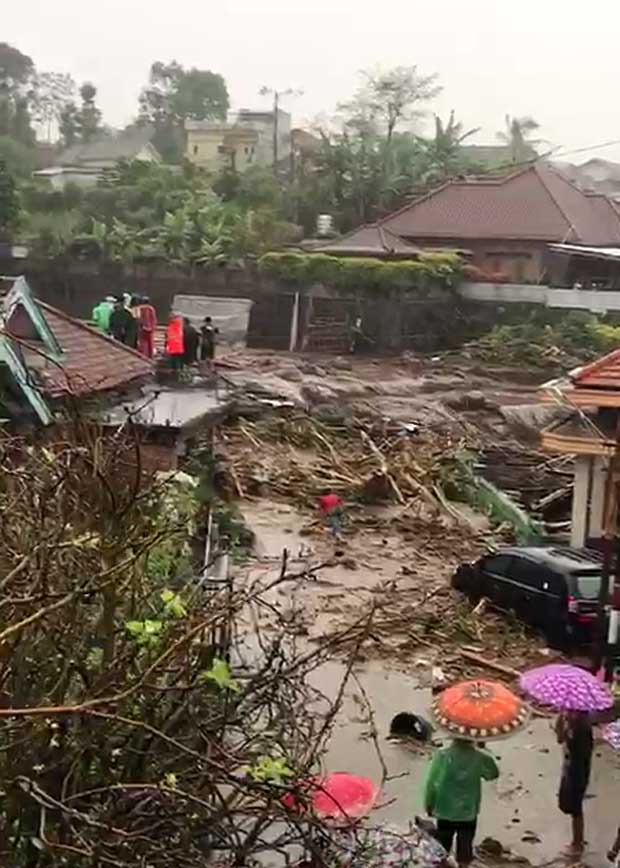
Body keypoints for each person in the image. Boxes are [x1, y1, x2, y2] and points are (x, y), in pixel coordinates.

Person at [424, 738, 499, 868]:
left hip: (444, 809)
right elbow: (492, 774)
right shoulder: (479, 757)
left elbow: (432, 783)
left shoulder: (442, 755)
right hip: (468, 812)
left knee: (441, 848)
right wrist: (485, 753)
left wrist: (429, 803)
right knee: (465, 851)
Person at [555, 710, 593, 856]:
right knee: (567, 805)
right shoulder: (573, 722)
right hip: (569, 768)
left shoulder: (582, 727)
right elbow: (560, 739)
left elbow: (576, 748)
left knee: (575, 808)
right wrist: (561, 722)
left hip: (577, 771)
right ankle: (577, 840)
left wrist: (568, 726)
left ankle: (577, 843)